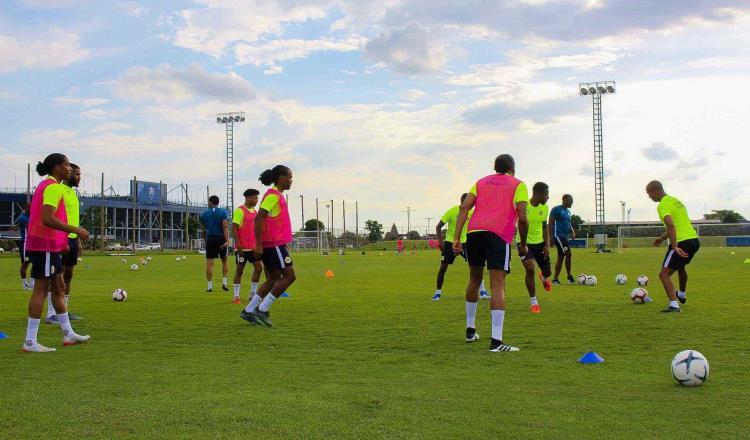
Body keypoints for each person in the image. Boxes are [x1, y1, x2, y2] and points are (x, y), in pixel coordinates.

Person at [454, 154, 528, 353]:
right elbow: (522, 217)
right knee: (497, 284)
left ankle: (470, 331)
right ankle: (496, 342)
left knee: (474, 280)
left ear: (495, 168)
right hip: (498, 234)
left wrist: (456, 238)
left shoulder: (480, 182)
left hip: (474, 233)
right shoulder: (518, 184)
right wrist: (523, 243)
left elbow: (464, 208)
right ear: (512, 168)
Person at [21, 153, 90, 353]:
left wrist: (62, 243)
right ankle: (30, 341)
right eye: (67, 165)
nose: (70, 169)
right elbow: (47, 219)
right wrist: (75, 230)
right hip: (44, 246)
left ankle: (68, 333)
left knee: (59, 288)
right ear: (57, 167)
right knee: (41, 290)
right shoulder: (52, 187)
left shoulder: (50, 186)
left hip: (51, 245)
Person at [240, 165, 296, 327]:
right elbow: (259, 218)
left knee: (273, 278)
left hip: (274, 244)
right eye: (289, 177)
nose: (291, 180)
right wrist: (258, 244)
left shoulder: (276, 196)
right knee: (290, 276)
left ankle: (249, 311)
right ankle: (263, 309)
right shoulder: (273, 196)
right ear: (280, 178)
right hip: (273, 244)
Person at [646, 180, 700, 313]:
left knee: (663, 274)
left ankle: (674, 305)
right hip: (694, 240)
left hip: (681, 242)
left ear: (655, 191)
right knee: (680, 267)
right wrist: (662, 238)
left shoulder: (662, 205)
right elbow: (678, 224)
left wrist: (674, 245)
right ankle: (681, 294)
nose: (649, 197)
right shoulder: (676, 201)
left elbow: (670, 224)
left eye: (649, 194)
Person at [431, 194, 488, 301]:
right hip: (450, 242)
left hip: (466, 242)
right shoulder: (452, 211)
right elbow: (438, 226)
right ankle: (437, 293)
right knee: (443, 267)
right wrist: (440, 242)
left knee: (476, 266)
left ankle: (482, 292)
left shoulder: (471, 213)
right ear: (462, 201)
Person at [46, 163, 83, 324]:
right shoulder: (58, 190)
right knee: (55, 277)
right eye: (76, 174)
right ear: (67, 174)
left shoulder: (73, 193)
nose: (79, 177)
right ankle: (50, 313)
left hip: (73, 239)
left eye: (80, 175)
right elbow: (54, 217)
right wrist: (63, 237)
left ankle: (64, 312)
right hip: (61, 238)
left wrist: (78, 240)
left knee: (68, 275)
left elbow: (73, 219)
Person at [516, 182, 553, 314]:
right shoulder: (524, 206)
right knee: (530, 269)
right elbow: (520, 223)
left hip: (540, 243)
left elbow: (545, 227)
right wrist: (522, 244)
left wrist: (547, 245)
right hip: (523, 243)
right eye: (547, 195)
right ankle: (534, 302)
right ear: (539, 194)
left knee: (548, 272)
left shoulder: (545, 208)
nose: (548, 197)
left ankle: (543, 277)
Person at [231, 188, 263, 305]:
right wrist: (238, 244)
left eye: (257, 198)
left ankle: (252, 293)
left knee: (259, 268)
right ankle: (236, 296)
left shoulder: (255, 212)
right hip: (242, 248)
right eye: (255, 198)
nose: (256, 200)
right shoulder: (240, 211)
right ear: (248, 198)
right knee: (239, 271)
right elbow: (234, 228)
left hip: (253, 248)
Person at [200, 195, 230, 292]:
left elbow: (203, 229)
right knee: (224, 261)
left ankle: (209, 286)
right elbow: (225, 227)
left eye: (208, 202)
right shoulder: (223, 212)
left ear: (211, 202)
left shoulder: (204, 213)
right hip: (221, 238)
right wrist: (227, 240)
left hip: (210, 238)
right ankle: (224, 283)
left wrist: (206, 239)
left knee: (209, 262)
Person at [549, 194, 576, 285]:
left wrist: (572, 231)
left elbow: (568, 223)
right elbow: (551, 223)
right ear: (564, 200)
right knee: (568, 253)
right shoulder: (556, 209)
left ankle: (555, 279)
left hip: (565, 237)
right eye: (570, 200)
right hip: (558, 236)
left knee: (561, 257)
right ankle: (569, 276)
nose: (572, 202)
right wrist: (551, 237)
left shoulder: (568, 212)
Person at [16, 204, 31, 290]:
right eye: (30, 209)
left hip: (32, 243)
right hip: (25, 244)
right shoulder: (23, 218)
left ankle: (32, 284)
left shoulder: (29, 216)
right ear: (26, 209)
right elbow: (30, 228)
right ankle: (24, 284)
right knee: (25, 264)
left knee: (37, 263)